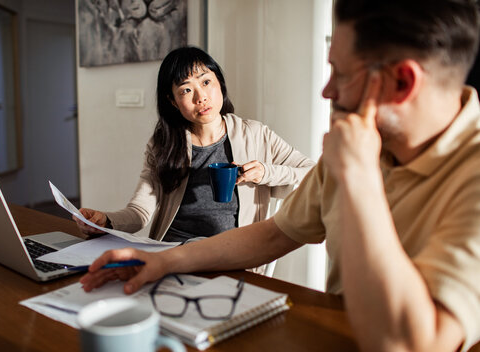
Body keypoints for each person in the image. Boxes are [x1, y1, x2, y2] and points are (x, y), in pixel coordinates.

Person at [80, 0, 480, 352]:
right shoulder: (360, 147)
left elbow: (411, 349)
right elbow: (274, 234)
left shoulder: (464, 175)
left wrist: (357, 177)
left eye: (338, 73)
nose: (326, 90)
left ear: (402, 83)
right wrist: (163, 259)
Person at [74, 46, 314, 247]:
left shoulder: (256, 134)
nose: (201, 97)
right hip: (173, 251)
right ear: (173, 101)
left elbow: (313, 173)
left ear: (219, 82)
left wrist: (266, 172)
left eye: (206, 82)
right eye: (186, 90)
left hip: (234, 253)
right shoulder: (164, 144)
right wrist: (105, 220)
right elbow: (140, 212)